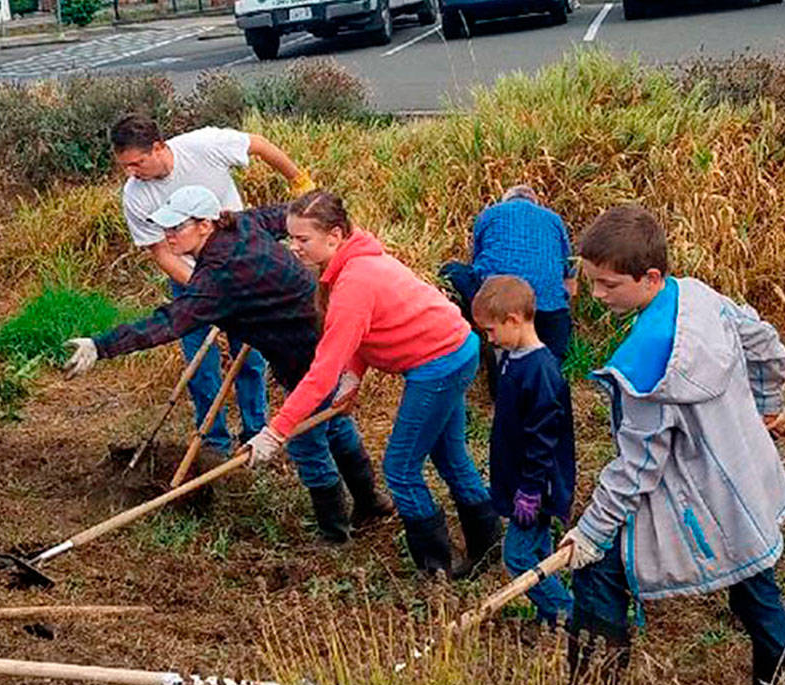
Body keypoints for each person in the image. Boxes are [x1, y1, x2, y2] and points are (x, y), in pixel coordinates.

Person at [558, 204, 785, 685]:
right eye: (592, 281)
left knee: (597, 570)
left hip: (698, 491)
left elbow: (636, 467)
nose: (598, 296)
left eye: (608, 285)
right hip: (743, 474)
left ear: (650, 277)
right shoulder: (701, 297)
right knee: (753, 574)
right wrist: (766, 406)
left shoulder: (648, 361)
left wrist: (592, 532)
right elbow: (767, 343)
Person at [63, 186, 394, 543]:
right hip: (318, 333)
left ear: (205, 225)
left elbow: (169, 322)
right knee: (332, 424)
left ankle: (335, 535)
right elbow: (283, 216)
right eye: (166, 227)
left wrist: (101, 346)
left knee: (305, 441)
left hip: (306, 352)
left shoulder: (220, 277)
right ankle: (370, 502)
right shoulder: (242, 224)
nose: (167, 235)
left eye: (177, 227)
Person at [247, 191, 499, 579]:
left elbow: (320, 373)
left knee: (400, 468)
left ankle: (436, 568)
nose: (293, 247)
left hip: (438, 363)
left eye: (302, 239)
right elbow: (368, 334)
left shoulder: (354, 283)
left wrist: (276, 430)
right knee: (450, 457)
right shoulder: (355, 260)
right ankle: (487, 550)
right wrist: (353, 377)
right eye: (290, 238)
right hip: (456, 347)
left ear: (334, 235)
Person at [110, 114, 314, 456]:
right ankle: (214, 442)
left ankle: (255, 429)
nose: (132, 172)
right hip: (191, 281)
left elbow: (259, 145)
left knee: (249, 356)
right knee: (200, 367)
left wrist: (301, 182)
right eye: (125, 166)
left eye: (137, 163)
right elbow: (161, 253)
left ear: (159, 148)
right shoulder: (135, 196)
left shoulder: (204, 146)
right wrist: (207, 291)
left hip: (244, 274)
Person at [472, 275, 574, 625]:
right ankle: (553, 617)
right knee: (539, 553)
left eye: (490, 330)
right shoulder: (512, 358)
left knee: (517, 558)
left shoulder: (541, 371)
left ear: (513, 320)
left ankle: (566, 616)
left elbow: (542, 440)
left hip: (535, 486)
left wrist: (530, 489)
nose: (489, 338)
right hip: (519, 480)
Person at [441, 184, 578, 377]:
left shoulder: (490, 214)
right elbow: (569, 272)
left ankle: (467, 333)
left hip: (499, 302)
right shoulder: (554, 219)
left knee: (451, 270)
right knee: (551, 364)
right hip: (550, 310)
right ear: (535, 201)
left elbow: (477, 261)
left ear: (506, 199)